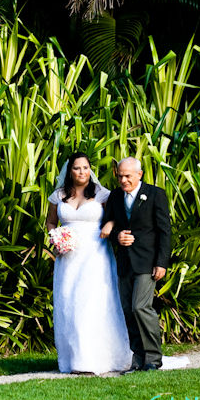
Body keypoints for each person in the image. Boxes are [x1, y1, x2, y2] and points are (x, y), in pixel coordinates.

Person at [46, 152, 132, 374]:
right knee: (69, 303)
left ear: (90, 169)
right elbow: (51, 222)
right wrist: (55, 237)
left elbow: (118, 215)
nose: (82, 172)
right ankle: (74, 359)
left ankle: (98, 359)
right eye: (77, 168)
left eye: (85, 168)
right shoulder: (58, 195)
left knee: (92, 302)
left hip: (95, 254)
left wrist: (110, 225)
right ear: (70, 171)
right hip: (67, 256)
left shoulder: (102, 194)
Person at [101, 157, 172, 373]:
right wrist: (117, 236)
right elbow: (108, 225)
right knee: (128, 311)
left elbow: (165, 231)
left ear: (139, 175)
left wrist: (161, 262)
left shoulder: (155, 194)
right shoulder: (114, 196)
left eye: (128, 176)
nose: (123, 180)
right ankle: (138, 358)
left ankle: (153, 358)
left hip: (147, 262)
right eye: (120, 176)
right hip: (124, 263)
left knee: (140, 307)